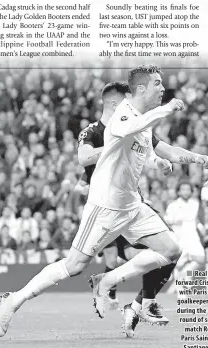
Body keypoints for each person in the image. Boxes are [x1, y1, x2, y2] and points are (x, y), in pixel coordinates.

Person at [0, 65, 208, 338]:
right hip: (104, 206)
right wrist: (167, 109)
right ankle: (13, 300)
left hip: (132, 205)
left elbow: (165, 149)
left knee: (171, 250)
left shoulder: (143, 123)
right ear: (141, 89)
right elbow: (123, 132)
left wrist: (195, 157)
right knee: (74, 266)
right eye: (157, 84)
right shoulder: (123, 115)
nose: (162, 89)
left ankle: (109, 282)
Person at [73, 81, 176, 328]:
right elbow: (82, 170)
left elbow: (156, 151)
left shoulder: (134, 129)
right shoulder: (95, 132)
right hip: (105, 207)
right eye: (126, 101)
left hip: (131, 205)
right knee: (117, 258)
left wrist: (164, 161)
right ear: (115, 103)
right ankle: (113, 294)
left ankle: (133, 302)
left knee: (157, 254)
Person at [164, 181, 205, 286]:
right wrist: (174, 220)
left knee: (201, 259)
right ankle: (181, 293)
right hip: (179, 238)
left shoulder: (195, 203)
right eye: (183, 189)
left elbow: (195, 219)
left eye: (188, 189)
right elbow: (166, 219)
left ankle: (186, 274)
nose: (186, 192)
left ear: (191, 191)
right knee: (179, 265)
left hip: (193, 236)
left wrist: (200, 227)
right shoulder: (173, 205)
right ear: (178, 191)